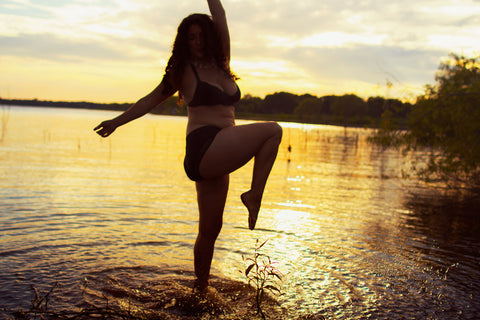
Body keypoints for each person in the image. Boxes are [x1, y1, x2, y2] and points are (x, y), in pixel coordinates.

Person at [94, 0, 282, 293]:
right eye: (190, 37)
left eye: (200, 36)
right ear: (184, 41)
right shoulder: (183, 71)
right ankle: (254, 195)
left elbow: (219, 13)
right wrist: (117, 122)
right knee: (273, 131)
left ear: (210, 36)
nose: (196, 42)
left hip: (222, 151)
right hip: (204, 147)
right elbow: (150, 100)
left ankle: (201, 290)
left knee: (210, 230)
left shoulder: (223, 63)